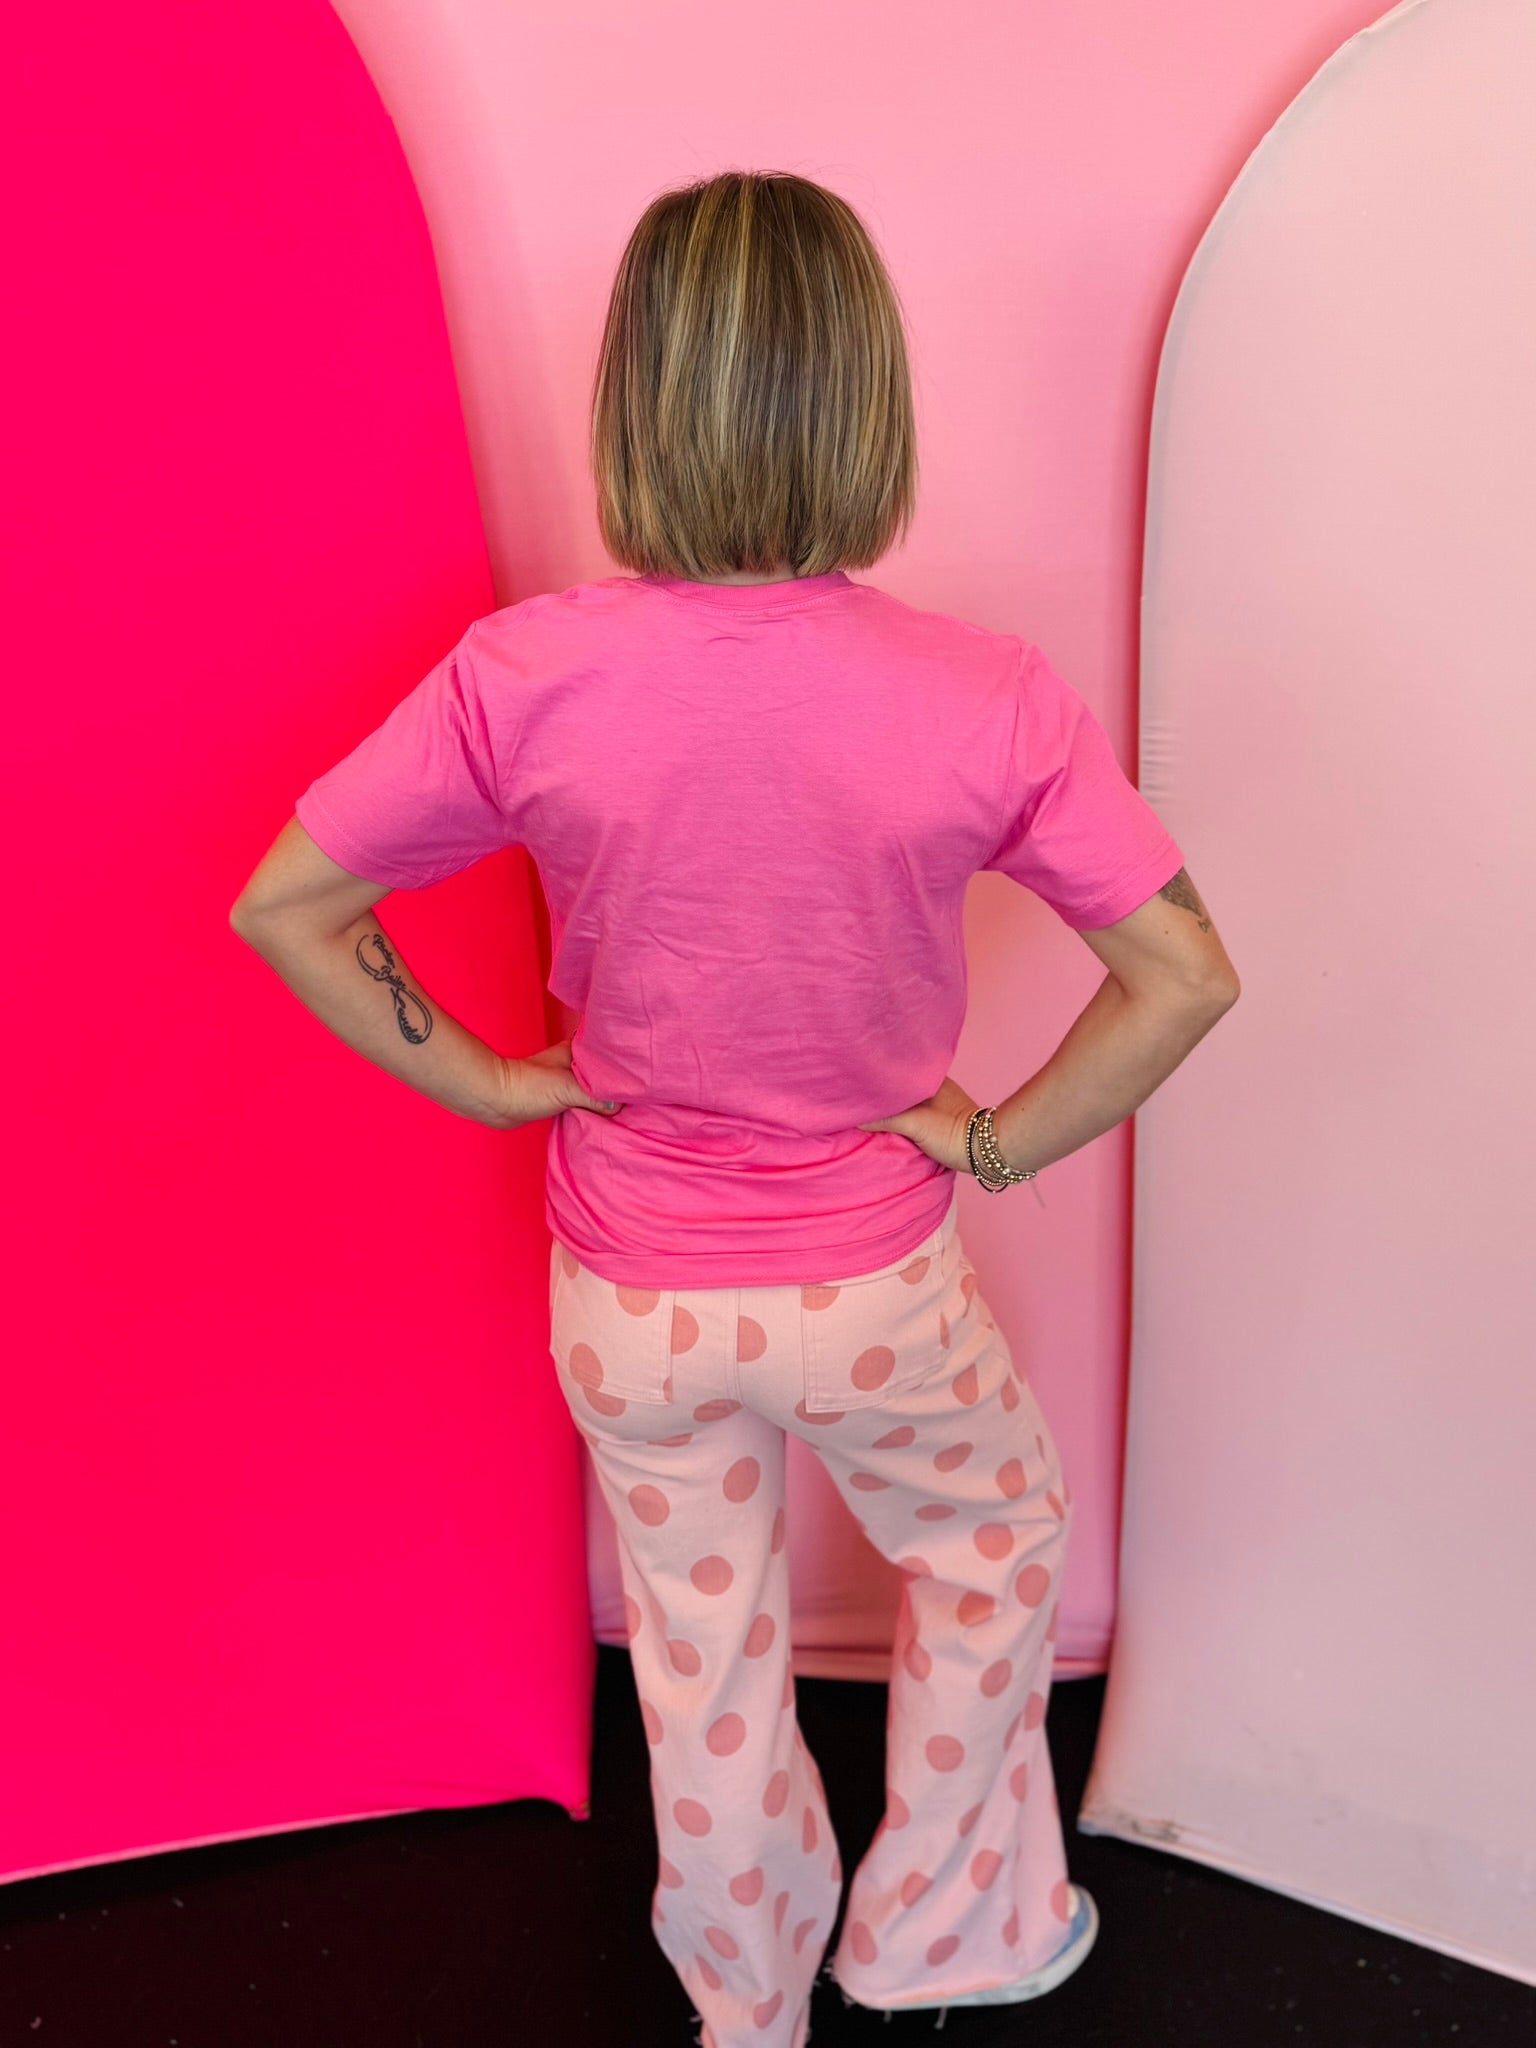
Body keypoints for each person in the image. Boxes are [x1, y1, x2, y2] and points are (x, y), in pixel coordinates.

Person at [231, 170, 1240, 2047]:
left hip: (629, 1297)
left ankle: (745, 1996)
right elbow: (1185, 973)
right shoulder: (986, 697)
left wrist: (494, 1084)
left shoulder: (522, 674)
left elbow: (287, 904)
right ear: (868, 401)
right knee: (994, 1546)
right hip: (872, 1291)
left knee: (698, 1654)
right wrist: (996, 1140)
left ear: (637, 397)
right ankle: (940, 1938)